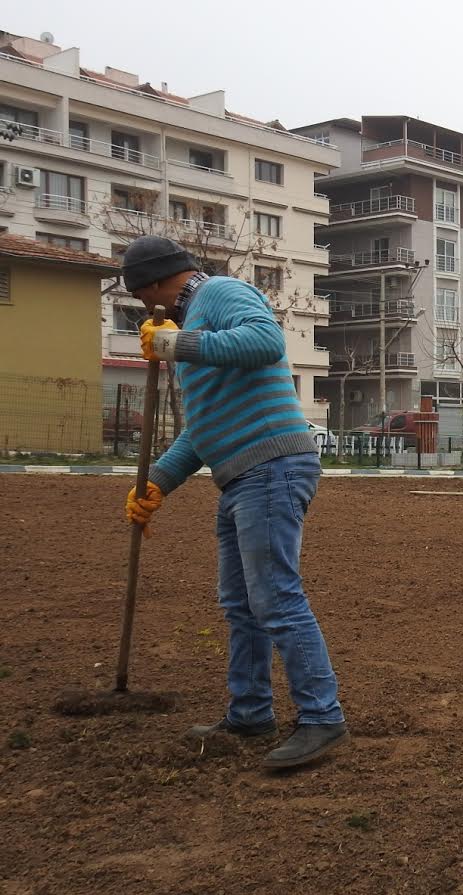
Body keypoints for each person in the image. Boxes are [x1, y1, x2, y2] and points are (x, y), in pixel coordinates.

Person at [120, 235, 348, 769]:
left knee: (275, 598)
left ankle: (322, 717)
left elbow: (266, 341)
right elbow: (203, 429)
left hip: (270, 467)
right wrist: (156, 482)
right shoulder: (189, 326)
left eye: (137, 296)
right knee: (242, 604)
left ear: (151, 286)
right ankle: (250, 713)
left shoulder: (219, 293)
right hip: (240, 476)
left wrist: (176, 346)